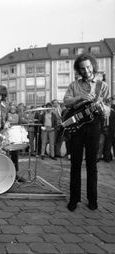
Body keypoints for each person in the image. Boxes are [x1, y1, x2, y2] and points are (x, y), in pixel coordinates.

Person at [63, 53, 110, 211]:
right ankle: (74, 199)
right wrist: (81, 97)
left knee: (92, 165)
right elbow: (66, 101)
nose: (86, 70)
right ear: (79, 70)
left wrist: (104, 109)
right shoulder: (74, 85)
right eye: (82, 68)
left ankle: (92, 199)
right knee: (75, 164)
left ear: (93, 66)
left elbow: (108, 110)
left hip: (94, 126)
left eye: (88, 67)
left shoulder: (102, 86)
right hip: (77, 126)